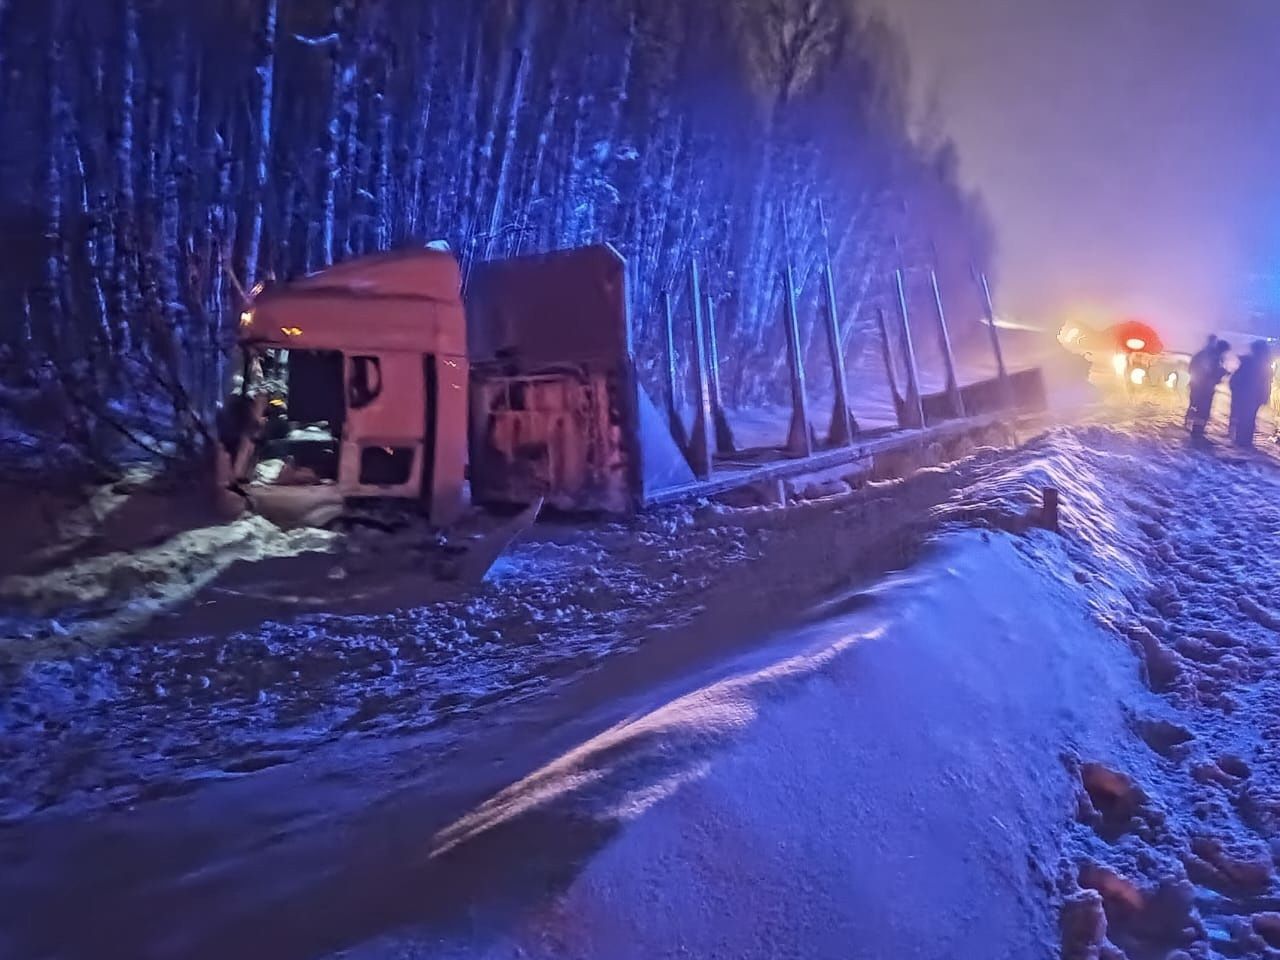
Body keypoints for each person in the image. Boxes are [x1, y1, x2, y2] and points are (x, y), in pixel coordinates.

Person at [1229, 340, 1273, 449]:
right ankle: (1244, 441)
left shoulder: (1252, 363)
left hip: (1249, 396)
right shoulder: (1261, 364)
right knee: (1247, 418)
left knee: (1246, 418)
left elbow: (1235, 380)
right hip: (1250, 396)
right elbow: (1266, 383)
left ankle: (1242, 440)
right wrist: (1264, 396)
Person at [1186, 336, 1230, 439]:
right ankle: (1197, 431)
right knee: (1202, 409)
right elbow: (1210, 372)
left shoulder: (1205, 354)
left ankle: (1194, 426)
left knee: (1196, 405)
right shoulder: (1213, 357)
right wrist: (1222, 372)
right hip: (1205, 387)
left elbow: (1193, 367)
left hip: (1199, 385)